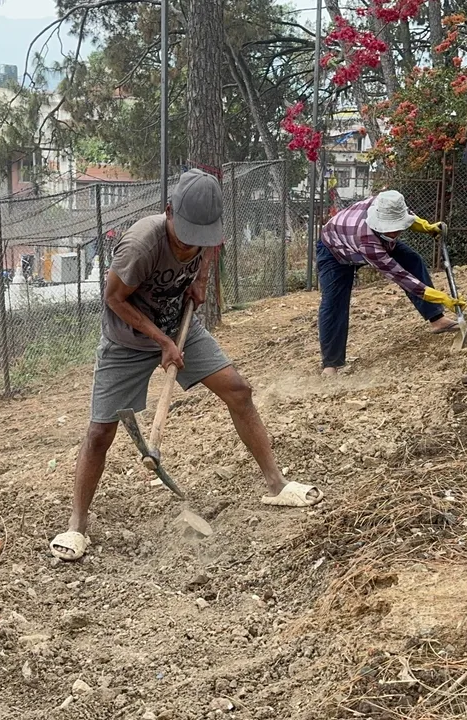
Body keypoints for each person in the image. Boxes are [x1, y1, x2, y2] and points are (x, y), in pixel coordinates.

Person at [50, 169, 322, 561]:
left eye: (202, 235)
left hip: (181, 325)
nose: (193, 243)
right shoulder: (140, 246)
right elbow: (113, 298)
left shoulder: (206, 234)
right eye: (186, 234)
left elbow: (210, 248)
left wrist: (202, 279)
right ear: (169, 212)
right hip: (127, 340)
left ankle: (276, 484)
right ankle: (77, 525)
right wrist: (160, 342)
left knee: (238, 390)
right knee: (99, 432)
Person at [316, 189, 466, 376]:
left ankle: (438, 321)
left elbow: (408, 215)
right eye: (392, 227)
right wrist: (441, 297)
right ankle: (331, 364)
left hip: (368, 239)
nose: (397, 231)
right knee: (334, 303)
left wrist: (426, 226)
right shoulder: (367, 240)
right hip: (334, 249)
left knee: (412, 260)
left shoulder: (388, 203)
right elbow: (400, 276)